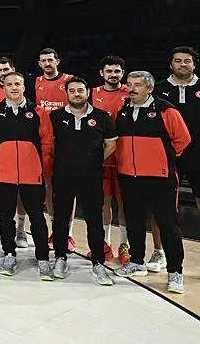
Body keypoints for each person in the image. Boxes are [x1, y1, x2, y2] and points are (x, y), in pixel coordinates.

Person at [114, 70, 189, 294]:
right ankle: (137, 261)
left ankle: (175, 272)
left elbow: (183, 139)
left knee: (168, 225)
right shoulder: (123, 110)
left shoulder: (166, 110)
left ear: (149, 88)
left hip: (160, 177)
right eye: (129, 84)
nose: (132, 89)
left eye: (137, 85)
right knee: (134, 221)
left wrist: (161, 159)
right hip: (129, 176)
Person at [49, 76, 117, 286]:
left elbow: (111, 144)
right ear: (66, 94)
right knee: (61, 218)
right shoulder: (55, 116)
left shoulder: (102, 117)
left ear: (88, 92)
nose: (76, 94)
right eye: (72, 91)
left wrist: (93, 160)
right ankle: (60, 258)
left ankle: (98, 262)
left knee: (94, 220)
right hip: (63, 175)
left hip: (91, 176)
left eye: (80, 90)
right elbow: (51, 144)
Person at [0, 72, 53, 279]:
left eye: (17, 84)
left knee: (37, 218)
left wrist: (43, 171)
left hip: (32, 175)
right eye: (9, 84)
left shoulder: (38, 112)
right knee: (6, 218)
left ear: (24, 87)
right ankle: (9, 254)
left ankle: (43, 258)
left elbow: (47, 144)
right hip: (4, 175)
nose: (14, 88)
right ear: (3, 88)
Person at [151, 46, 200, 269]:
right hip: (167, 155)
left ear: (194, 64)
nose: (183, 64)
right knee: (161, 205)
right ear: (170, 64)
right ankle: (158, 252)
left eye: (187, 61)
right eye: (178, 60)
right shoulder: (158, 89)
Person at [30, 47, 75, 251]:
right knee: (48, 186)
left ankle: (69, 233)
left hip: (67, 139)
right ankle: (54, 230)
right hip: (45, 140)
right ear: (39, 64)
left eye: (50, 60)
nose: (47, 63)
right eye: (43, 61)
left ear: (57, 61)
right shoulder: (35, 82)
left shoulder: (70, 80)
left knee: (68, 187)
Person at [0, 57, 27, 247]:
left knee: (21, 189)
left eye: (6, 69)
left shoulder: (18, 87)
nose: (2, 73)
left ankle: (21, 230)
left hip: (18, 145)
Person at [90, 55, 129, 264]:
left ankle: (125, 245)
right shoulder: (92, 93)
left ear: (122, 73)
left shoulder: (130, 92)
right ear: (101, 73)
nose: (113, 75)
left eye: (117, 71)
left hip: (124, 156)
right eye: (109, 71)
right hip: (102, 156)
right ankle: (104, 243)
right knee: (102, 203)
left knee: (124, 203)